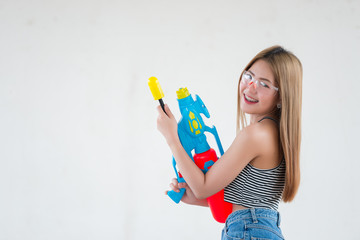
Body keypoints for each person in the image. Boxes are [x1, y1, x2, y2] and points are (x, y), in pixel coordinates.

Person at [156, 45, 302, 240]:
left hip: (248, 231)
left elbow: (203, 187)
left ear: (282, 96)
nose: (251, 87)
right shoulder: (271, 132)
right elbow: (244, 201)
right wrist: (194, 196)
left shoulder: (255, 134)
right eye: (249, 76)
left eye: (264, 84)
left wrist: (172, 138)